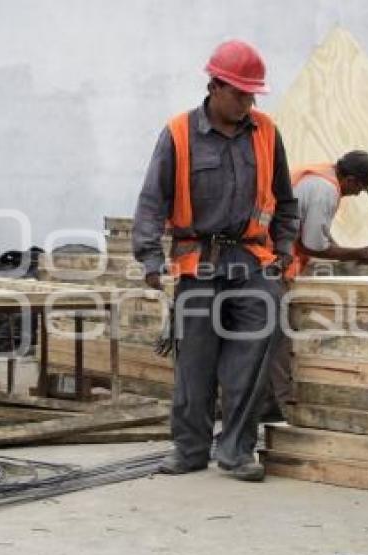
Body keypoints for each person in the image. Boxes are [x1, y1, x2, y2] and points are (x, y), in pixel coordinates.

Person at [132, 39, 297, 482]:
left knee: (253, 357)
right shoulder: (178, 133)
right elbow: (152, 199)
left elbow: (285, 199)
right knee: (195, 363)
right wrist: (149, 258)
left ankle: (237, 451)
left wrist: (283, 248)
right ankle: (189, 450)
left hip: (252, 259)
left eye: (252, 95)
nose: (247, 103)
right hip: (197, 262)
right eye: (240, 94)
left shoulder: (266, 132)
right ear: (215, 86)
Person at [268, 151, 368, 418]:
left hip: (267, 260)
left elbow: (316, 234)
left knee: (264, 337)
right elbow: (313, 244)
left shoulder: (318, 175)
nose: (356, 195)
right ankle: (282, 409)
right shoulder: (326, 190)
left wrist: (345, 250)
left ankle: (267, 405)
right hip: (269, 263)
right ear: (351, 179)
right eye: (359, 189)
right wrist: (357, 254)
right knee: (277, 340)